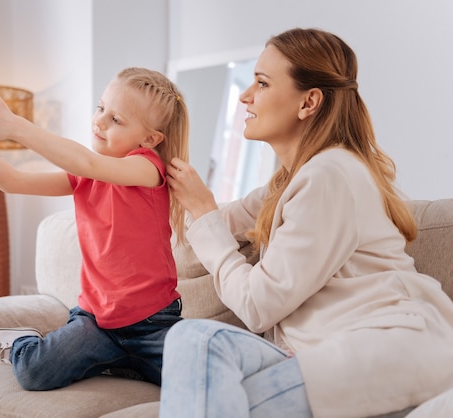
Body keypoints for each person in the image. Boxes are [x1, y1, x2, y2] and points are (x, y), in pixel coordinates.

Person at [160, 28, 453, 418]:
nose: (245, 96)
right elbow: (212, 227)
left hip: (385, 347)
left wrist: (203, 212)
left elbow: (256, 305)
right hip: (326, 350)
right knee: (195, 339)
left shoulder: (329, 175)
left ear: (309, 102)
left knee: (221, 392)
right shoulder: (290, 181)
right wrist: (151, 185)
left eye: (262, 83)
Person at [0, 67, 189, 390]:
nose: (99, 121)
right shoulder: (83, 175)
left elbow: (86, 162)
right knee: (34, 373)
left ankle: (121, 362)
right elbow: (12, 181)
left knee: (198, 378)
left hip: (154, 326)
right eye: (101, 108)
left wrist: (16, 126)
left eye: (116, 120)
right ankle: (20, 344)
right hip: (97, 323)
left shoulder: (147, 167)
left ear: (150, 139)